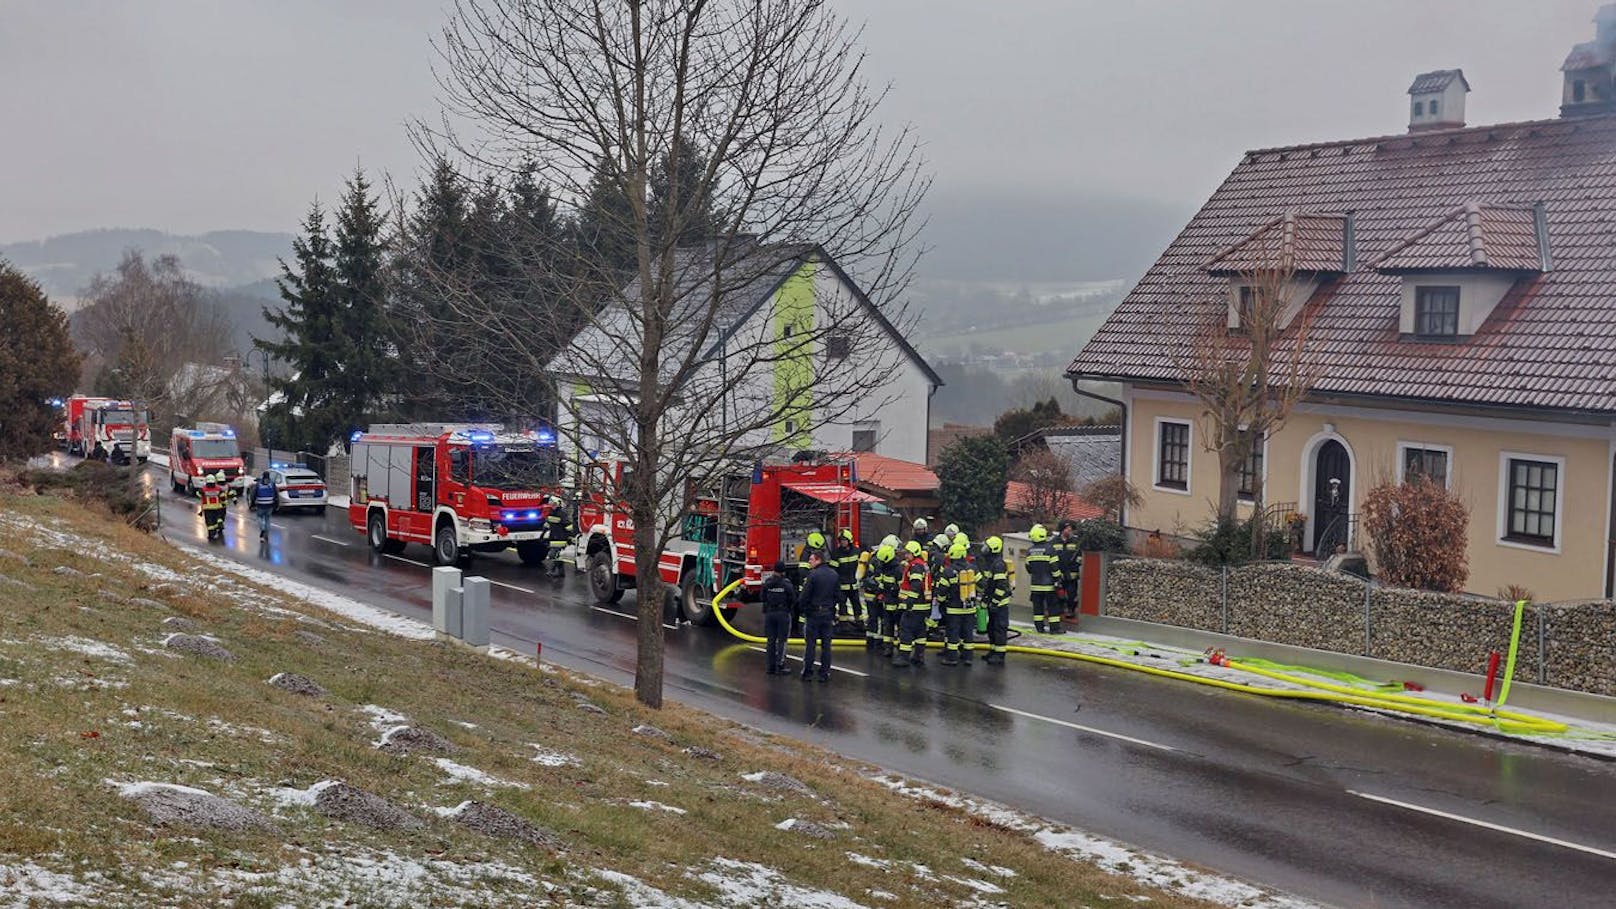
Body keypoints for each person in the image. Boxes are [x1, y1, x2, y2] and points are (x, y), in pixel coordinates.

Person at [797, 550, 839, 682]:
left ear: (818, 560)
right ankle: (824, 673)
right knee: (826, 646)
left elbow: (805, 596)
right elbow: (838, 596)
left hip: (814, 614)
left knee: (810, 645)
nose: (809, 562)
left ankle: (808, 672)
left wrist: (801, 608)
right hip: (827, 614)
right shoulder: (834, 574)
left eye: (811, 559)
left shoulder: (813, 575)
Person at [938, 542, 977, 665]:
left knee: (953, 634)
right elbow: (982, 585)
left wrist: (941, 602)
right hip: (970, 608)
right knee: (968, 633)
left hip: (954, 609)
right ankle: (968, 657)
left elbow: (942, 590)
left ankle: (952, 658)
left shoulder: (948, 571)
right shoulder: (973, 569)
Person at [893, 539, 931, 667]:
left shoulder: (915, 566)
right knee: (920, 632)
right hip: (922, 606)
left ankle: (904, 657)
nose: (906, 555)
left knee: (906, 630)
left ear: (914, 553)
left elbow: (916, 585)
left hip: (914, 606)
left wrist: (909, 601)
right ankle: (919, 656)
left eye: (908, 553)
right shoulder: (921, 564)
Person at [760, 560, 797, 676]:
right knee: (782, 641)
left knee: (770, 641)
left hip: (770, 613)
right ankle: (780, 665)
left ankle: (770, 667)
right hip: (783, 614)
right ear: (783, 571)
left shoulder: (767, 582)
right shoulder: (786, 584)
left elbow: (762, 597)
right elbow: (793, 598)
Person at [978, 536, 1011, 664]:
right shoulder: (992, 563)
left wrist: (995, 602)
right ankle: (993, 651)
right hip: (993, 603)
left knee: (999, 629)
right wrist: (986, 601)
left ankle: (1000, 655)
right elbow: (989, 585)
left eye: (987, 547)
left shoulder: (998, 565)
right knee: (991, 628)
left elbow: (1001, 586)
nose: (984, 549)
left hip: (1000, 605)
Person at [1025, 523, 1062, 634]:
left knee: (1038, 609)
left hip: (1035, 586)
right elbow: (1055, 568)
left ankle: (1039, 628)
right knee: (1052, 608)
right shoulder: (1050, 550)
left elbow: (1029, 568)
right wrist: (1058, 579)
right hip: (1049, 586)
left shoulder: (1029, 551)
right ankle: (1054, 629)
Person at [864, 543, 899, 653]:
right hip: (881, 598)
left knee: (886, 623)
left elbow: (898, 587)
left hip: (891, 601)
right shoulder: (881, 563)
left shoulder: (897, 569)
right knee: (880, 621)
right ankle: (878, 644)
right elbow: (875, 580)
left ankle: (883, 645)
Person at [830, 528, 863, 623]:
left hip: (854, 585)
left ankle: (859, 623)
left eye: (844, 540)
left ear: (849, 540)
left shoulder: (857, 551)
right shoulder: (836, 554)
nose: (842, 542)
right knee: (842, 606)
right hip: (842, 586)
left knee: (857, 605)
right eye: (841, 540)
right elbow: (833, 571)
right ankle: (843, 625)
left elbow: (862, 567)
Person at [1054, 520, 1082, 622]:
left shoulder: (1076, 542)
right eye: (1067, 529)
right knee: (1058, 593)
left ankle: (1071, 610)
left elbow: (1080, 556)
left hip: (1072, 574)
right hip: (1059, 574)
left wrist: (1076, 564)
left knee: (1072, 594)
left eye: (1070, 529)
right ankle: (1060, 609)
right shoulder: (1054, 541)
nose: (1069, 531)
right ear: (1062, 530)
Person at [543, 496, 572, 578]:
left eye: (554, 504)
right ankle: (561, 572)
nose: (552, 506)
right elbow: (548, 524)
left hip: (561, 538)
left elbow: (568, 526)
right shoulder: (551, 513)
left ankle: (551, 571)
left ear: (559, 504)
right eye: (551, 504)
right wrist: (543, 534)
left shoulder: (562, 514)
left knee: (553, 555)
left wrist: (570, 537)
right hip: (553, 537)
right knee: (558, 555)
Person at [199, 473, 227, 540]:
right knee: (215, 521)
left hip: (207, 508)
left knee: (209, 522)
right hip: (217, 508)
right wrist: (223, 504)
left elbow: (199, 495)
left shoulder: (203, 489)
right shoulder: (218, 488)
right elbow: (222, 497)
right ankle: (215, 530)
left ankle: (211, 533)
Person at [250, 470, 277, 540]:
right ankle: (266, 534)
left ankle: (262, 528)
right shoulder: (272, 484)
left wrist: (252, 503)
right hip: (270, 504)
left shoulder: (259, 484)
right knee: (267, 519)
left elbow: (254, 494)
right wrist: (275, 503)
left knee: (259, 517)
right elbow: (276, 493)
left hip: (260, 504)